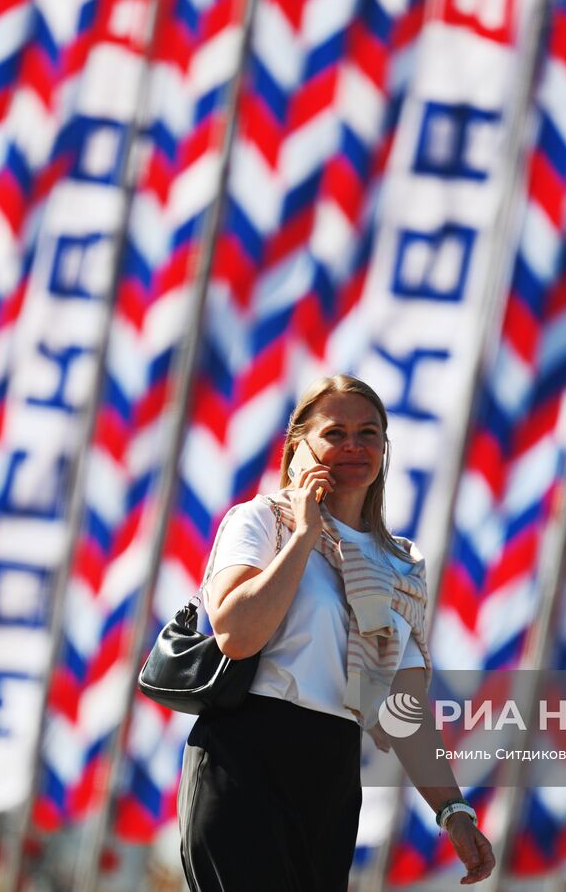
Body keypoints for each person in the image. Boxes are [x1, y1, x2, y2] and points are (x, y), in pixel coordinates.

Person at [177, 374, 496, 890]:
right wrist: (305, 534)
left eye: (368, 433)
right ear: (299, 446)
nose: (353, 446)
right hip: (246, 760)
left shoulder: (400, 565)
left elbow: (403, 713)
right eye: (335, 432)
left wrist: (453, 811)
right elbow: (236, 635)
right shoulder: (262, 521)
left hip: (333, 775)